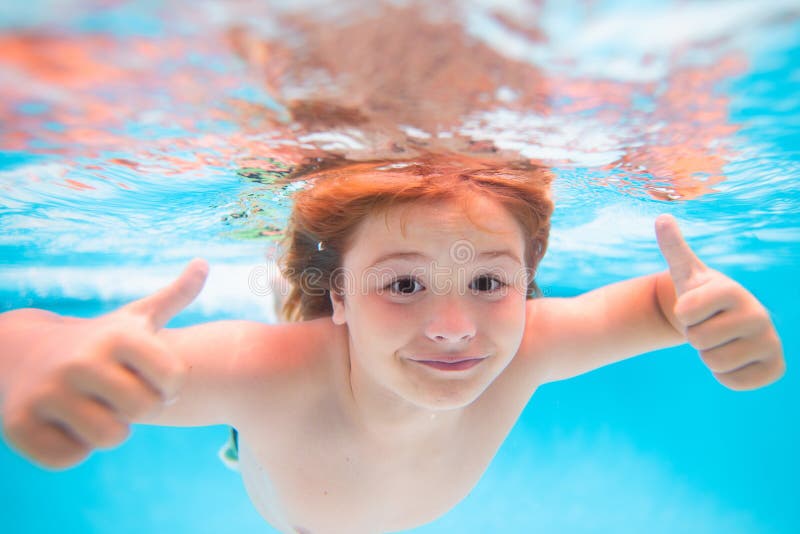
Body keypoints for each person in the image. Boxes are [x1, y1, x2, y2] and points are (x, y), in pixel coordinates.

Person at [0, 153, 785, 534]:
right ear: (339, 295)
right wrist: (40, 359)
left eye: (488, 283)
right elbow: (23, 336)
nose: (454, 327)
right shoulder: (270, 374)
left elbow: (659, 301)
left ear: (528, 282)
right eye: (403, 285)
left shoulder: (530, 342)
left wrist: (712, 311)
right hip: (289, 425)